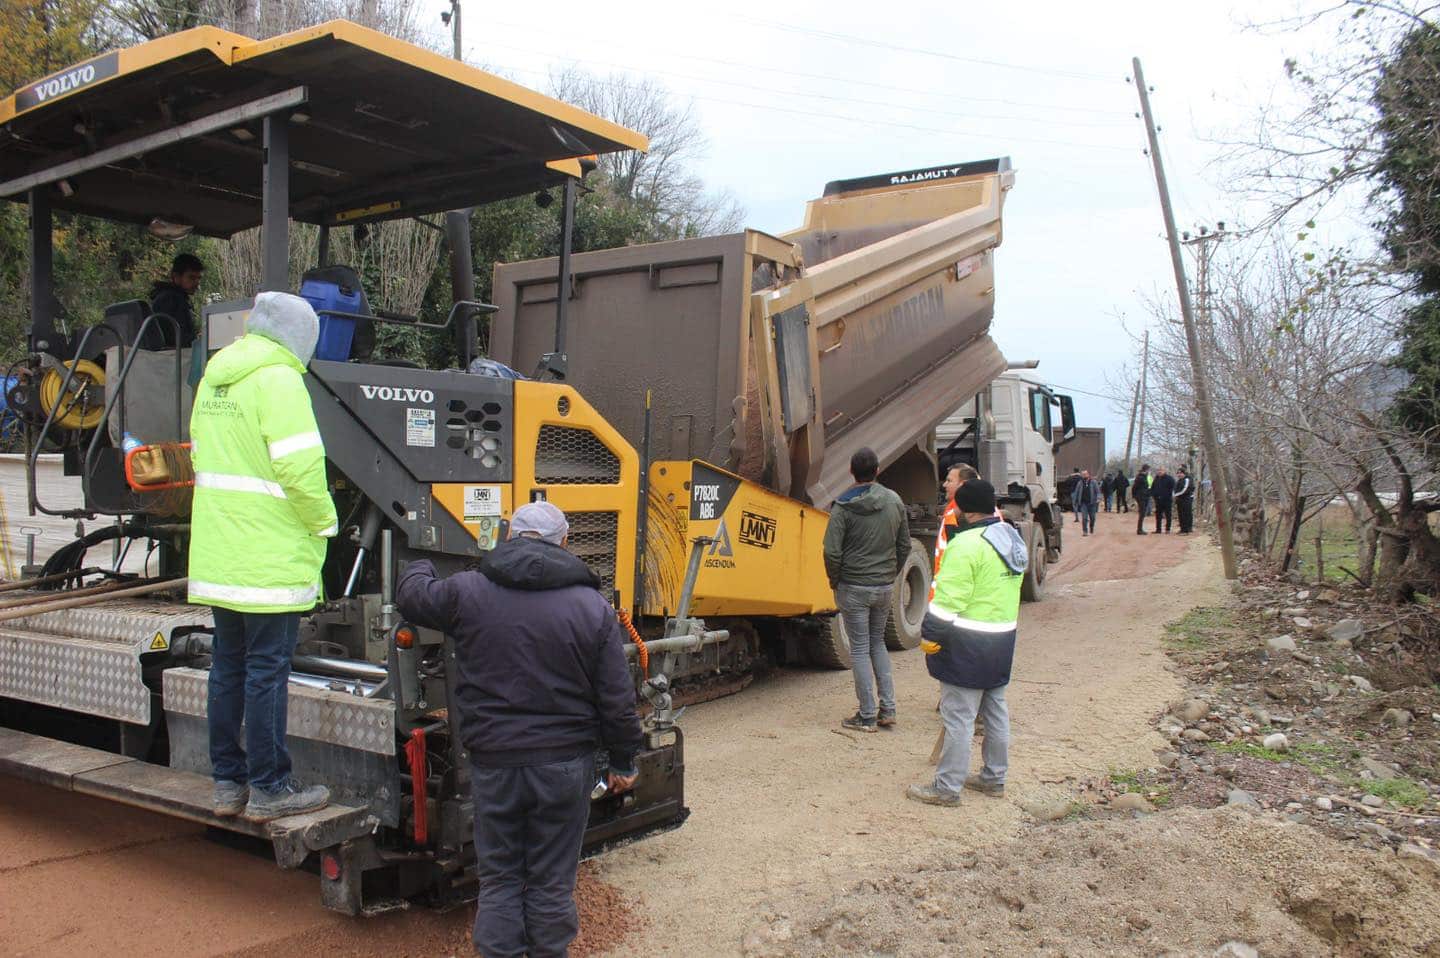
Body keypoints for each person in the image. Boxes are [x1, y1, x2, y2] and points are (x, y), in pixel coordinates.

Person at [396, 501, 642, 958]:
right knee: (550, 881)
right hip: (566, 766)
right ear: (565, 543)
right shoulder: (591, 607)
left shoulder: (469, 592)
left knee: (501, 879)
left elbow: (413, 596)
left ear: (509, 537)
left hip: (494, 764)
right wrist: (625, 760)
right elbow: (617, 698)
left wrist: (419, 563)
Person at [188, 291, 336, 822]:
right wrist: (325, 521)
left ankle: (227, 784)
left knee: (226, 665)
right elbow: (300, 468)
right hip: (268, 561)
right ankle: (271, 787)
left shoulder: (215, 378)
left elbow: (204, 456)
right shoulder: (281, 380)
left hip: (220, 555)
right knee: (266, 670)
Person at [907, 479, 1024, 807]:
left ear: (967, 509)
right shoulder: (1009, 537)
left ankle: (946, 788)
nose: (953, 509)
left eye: (957, 504)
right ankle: (993, 778)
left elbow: (949, 601)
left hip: (968, 643)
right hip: (1002, 639)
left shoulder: (967, 544)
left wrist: (930, 634)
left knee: (958, 717)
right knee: (995, 710)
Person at [823, 447, 911, 733]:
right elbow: (904, 546)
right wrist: (890, 573)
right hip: (883, 586)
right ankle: (889, 709)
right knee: (878, 644)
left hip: (853, 586)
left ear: (851, 471)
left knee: (859, 649)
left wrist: (835, 580)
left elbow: (831, 551)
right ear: (877, 470)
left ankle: (867, 715)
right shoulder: (895, 501)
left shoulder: (843, 507)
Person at [148, 252, 204, 349]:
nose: (196, 283)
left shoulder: (164, 296)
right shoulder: (173, 299)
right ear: (176, 277)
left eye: (198, 278)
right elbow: (180, 338)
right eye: (191, 277)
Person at [1072, 469, 1101, 536]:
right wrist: (1075, 501)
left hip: (1092, 503)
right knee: (1084, 518)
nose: (1084, 475)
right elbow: (1076, 492)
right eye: (1083, 474)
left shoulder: (1093, 482)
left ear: (1088, 474)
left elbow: (1098, 492)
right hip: (1083, 503)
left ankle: (1091, 527)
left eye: (1085, 474)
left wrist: (1098, 498)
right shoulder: (1080, 483)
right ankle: (1085, 531)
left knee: (1092, 518)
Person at [1151, 466, 1176, 534]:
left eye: (1161, 470)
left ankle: (1167, 529)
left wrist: (1170, 495)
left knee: (1168, 515)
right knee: (1158, 515)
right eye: (1158, 470)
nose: (1159, 471)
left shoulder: (1169, 478)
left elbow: (1174, 488)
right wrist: (1153, 495)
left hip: (1167, 500)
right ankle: (1158, 529)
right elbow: (1153, 487)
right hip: (1158, 500)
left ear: (1165, 471)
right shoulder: (1156, 478)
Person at [1174, 466, 1196, 534]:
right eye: (1178, 473)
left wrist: (1176, 495)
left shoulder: (1187, 479)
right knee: (1180, 514)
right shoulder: (1179, 481)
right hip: (1179, 500)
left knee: (1186, 514)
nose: (1179, 474)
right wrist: (1175, 495)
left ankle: (1186, 529)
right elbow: (1175, 489)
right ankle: (1182, 528)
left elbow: (1185, 489)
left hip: (1186, 499)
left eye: (1180, 473)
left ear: (1184, 473)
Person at [1132, 465, 1153, 535]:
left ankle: (1140, 528)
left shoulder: (1144, 477)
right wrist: (1135, 496)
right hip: (1141, 497)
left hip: (1145, 496)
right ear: (1147, 470)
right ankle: (1139, 529)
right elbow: (1135, 487)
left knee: (1143, 513)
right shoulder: (1140, 477)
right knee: (1142, 513)